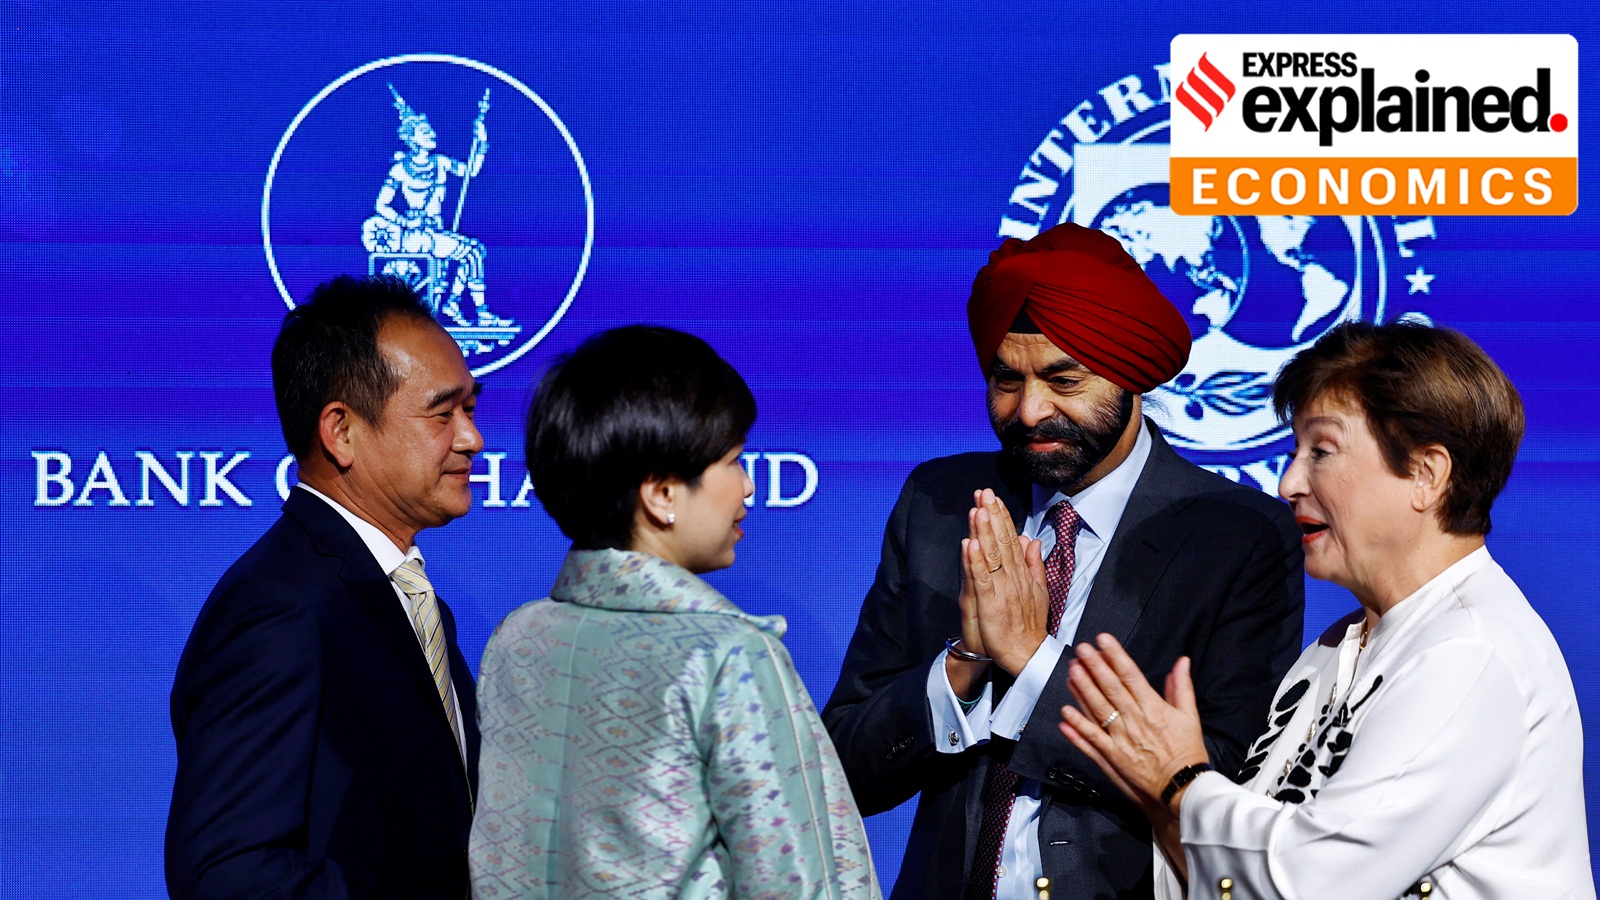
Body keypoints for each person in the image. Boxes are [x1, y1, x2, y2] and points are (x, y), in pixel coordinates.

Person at [822, 223, 1305, 899]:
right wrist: (964, 663)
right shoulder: (939, 503)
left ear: (1132, 373)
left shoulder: (1236, 536)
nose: (1029, 411)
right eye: (1005, 379)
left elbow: (1222, 789)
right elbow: (843, 767)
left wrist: (1031, 660)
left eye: (1063, 378)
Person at [1058, 322, 1594, 899]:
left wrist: (1179, 780)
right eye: (1294, 452)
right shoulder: (1337, 649)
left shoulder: (1470, 651)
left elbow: (1314, 883)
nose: (1289, 482)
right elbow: (1241, 875)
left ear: (1426, 474)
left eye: (1322, 451)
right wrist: (1161, 791)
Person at [469, 325, 881, 899]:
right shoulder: (728, 656)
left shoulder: (519, 637)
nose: (748, 488)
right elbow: (800, 885)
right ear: (662, 493)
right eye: (735, 461)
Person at [166, 275, 484, 898]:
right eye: (442, 413)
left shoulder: (411, 601)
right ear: (341, 431)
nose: (471, 438)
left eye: (470, 410)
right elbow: (227, 875)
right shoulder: (279, 608)